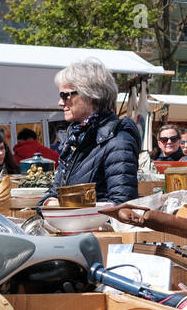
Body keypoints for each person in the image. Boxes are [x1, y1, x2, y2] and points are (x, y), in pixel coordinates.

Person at [44, 59, 140, 204]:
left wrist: (66, 207)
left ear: (90, 95)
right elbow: (54, 193)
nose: (60, 102)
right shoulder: (76, 138)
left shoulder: (118, 140)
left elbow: (122, 205)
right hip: (72, 225)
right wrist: (50, 203)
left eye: (65, 95)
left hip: (94, 227)